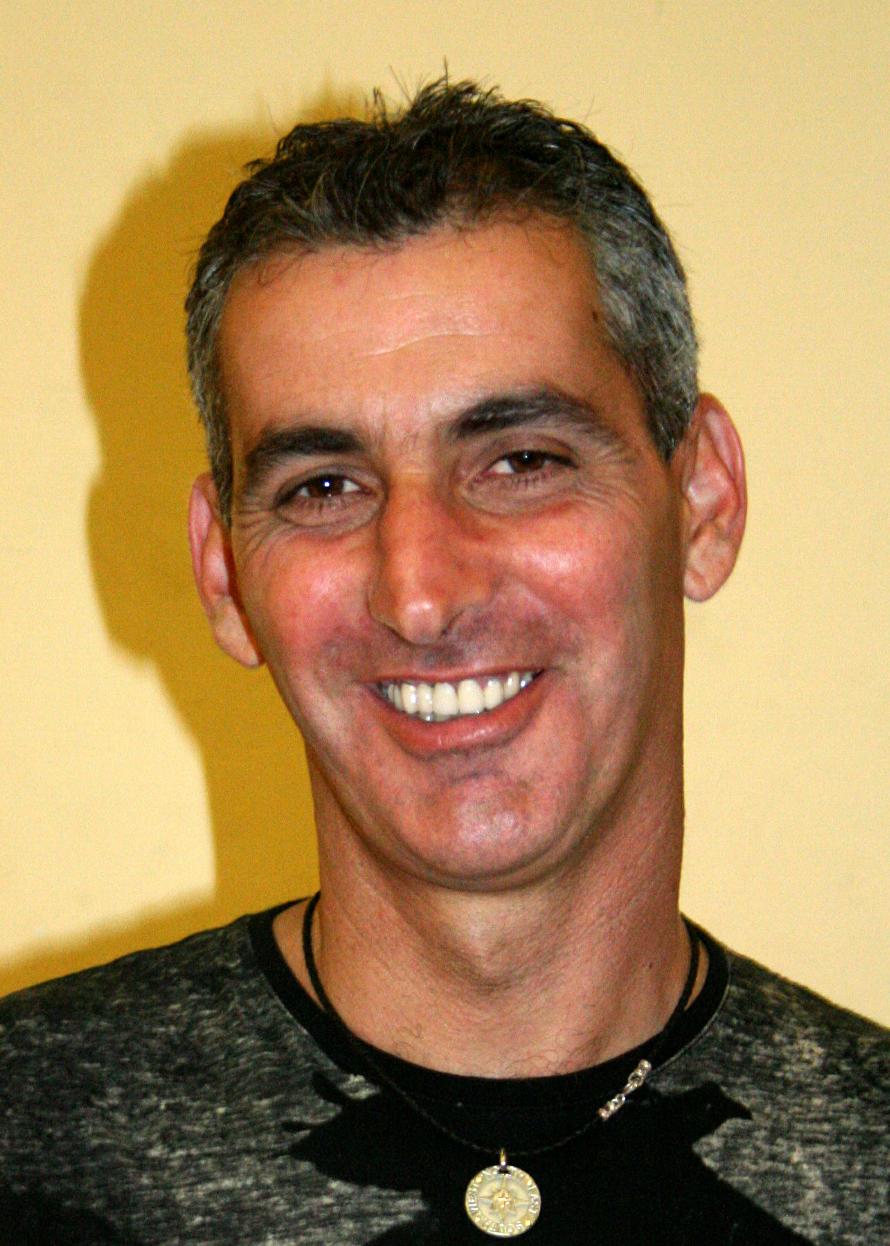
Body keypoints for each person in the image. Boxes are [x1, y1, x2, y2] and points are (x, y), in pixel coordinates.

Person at [0, 79, 886, 1246]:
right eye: (324, 487)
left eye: (520, 462)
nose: (420, 594)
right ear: (223, 573)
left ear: (701, 502)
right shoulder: (31, 1138)